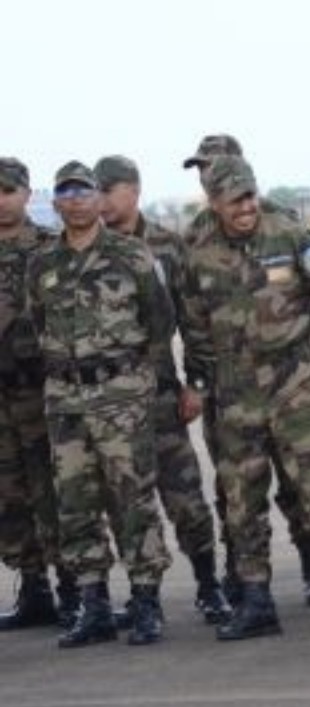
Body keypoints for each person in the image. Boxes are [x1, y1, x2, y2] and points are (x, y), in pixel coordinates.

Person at [176, 155, 310, 640]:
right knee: (242, 498)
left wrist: (300, 342)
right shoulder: (198, 255)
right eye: (233, 200)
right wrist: (209, 378)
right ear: (214, 203)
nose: (244, 207)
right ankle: (257, 600)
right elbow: (194, 328)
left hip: (295, 384)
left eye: (249, 196)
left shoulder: (290, 237)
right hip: (236, 394)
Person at [27, 162, 174, 647]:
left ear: (97, 199)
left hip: (120, 395)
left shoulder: (132, 255)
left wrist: (139, 381)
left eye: (83, 191)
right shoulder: (43, 265)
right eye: (64, 192)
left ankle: (146, 601)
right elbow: (37, 324)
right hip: (65, 399)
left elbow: (159, 322)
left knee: (132, 498)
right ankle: (93, 605)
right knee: (75, 503)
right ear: (56, 202)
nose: (74, 199)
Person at [93, 155, 230, 626]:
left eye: (109, 189)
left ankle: (210, 586)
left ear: (133, 189)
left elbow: (194, 323)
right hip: (108, 404)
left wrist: (196, 384)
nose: (102, 199)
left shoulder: (168, 248)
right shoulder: (89, 249)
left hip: (160, 397)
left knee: (186, 497)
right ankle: (141, 594)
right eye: (97, 190)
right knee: (126, 503)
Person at [0, 156, 71, 631]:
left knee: (55, 489)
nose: (1, 201)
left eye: (9, 191)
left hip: (40, 392)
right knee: (7, 494)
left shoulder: (50, 249)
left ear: (27, 194)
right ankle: (33, 586)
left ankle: (74, 586)